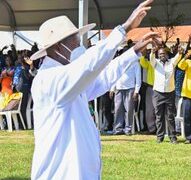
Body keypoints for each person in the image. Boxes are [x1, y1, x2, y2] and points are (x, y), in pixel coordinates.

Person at [29, 0, 156, 178]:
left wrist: (133, 52)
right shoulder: (49, 80)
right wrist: (124, 28)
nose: (79, 46)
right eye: (75, 41)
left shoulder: (67, 78)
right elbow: (88, 66)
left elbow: (102, 79)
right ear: (58, 47)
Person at [149, 46, 182, 143]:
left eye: (163, 54)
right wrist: (152, 52)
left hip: (169, 93)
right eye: (160, 54)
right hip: (158, 93)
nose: (161, 55)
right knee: (159, 116)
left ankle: (172, 137)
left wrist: (180, 53)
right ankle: (160, 137)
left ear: (167, 55)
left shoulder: (171, 62)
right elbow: (151, 59)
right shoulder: (156, 63)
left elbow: (178, 57)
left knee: (170, 116)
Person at [111, 50, 141, 135]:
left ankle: (128, 129)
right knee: (117, 110)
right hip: (118, 88)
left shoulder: (135, 62)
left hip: (130, 89)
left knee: (129, 110)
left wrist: (136, 91)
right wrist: (112, 88)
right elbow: (114, 76)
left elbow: (138, 78)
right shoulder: (117, 62)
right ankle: (117, 129)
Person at [139, 51, 156, 134]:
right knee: (149, 110)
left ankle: (160, 128)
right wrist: (143, 55)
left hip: (160, 89)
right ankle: (151, 129)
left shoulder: (162, 64)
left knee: (159, 110)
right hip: (150, 88)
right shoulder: (149, 64)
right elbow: (142, 63)